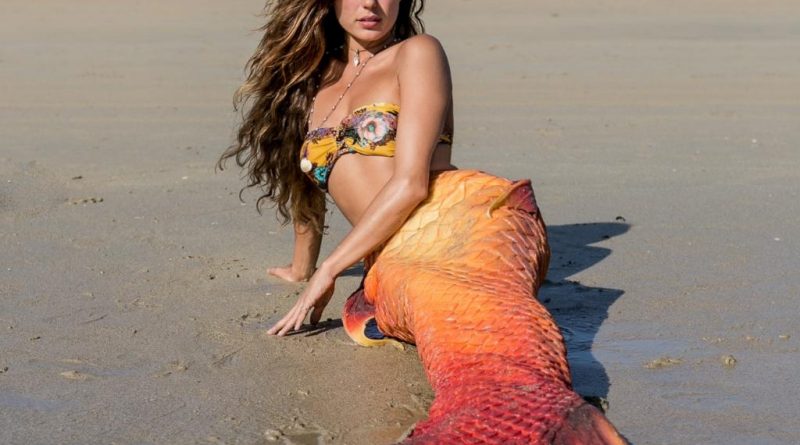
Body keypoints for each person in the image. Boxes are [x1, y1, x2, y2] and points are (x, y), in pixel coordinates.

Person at [220, 0, 626, 443]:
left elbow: (411, 183)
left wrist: (330, 269)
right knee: (418, 294)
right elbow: (307, 189)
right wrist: (303, 267)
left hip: (460, 220)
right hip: (393, 251)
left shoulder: (417, 53)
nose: (371, 3)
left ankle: (538, 420)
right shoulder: (313, 82)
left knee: (473, 331)